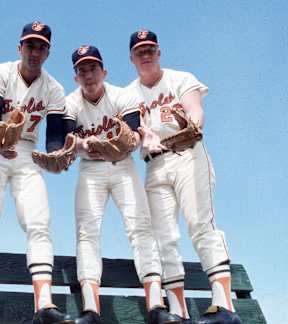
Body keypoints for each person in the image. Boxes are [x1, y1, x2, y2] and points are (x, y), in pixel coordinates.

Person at [0, 21, 74, 324]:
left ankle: (44, 304)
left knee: (39, 223)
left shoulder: (54, 88)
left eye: (41, 46)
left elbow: (54, 135)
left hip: (27, 153)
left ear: (48, 52)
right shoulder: (0, 72)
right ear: (19, 47)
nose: (34, 51)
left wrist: (55, 153)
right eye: (30, 45)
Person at [128, 29, 242, 324]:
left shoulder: (180, 78)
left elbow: (195, 112)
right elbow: (133, 129)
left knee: (200, 225)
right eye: (140, 51)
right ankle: (178, 311)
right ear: (132, 57)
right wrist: (143, 135)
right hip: (154, 164)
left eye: (150, 49)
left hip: (187, 154)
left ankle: (225, 306)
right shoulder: (129, 94)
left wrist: (189, 123)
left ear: (159, 52)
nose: (146, 55)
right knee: (164, 236)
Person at [64, 45, 182, 324]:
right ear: (75, 77)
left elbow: (132, 134)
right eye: (82, 70)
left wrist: (106, 145)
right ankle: (91, 310)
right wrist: (80, 144)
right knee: (87, 233)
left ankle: (156, 306)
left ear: (104, 71)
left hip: (121, 166)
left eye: (93, 68)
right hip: (90, 171)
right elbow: (63, 138)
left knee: (140, 227)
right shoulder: (71, 102)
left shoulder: (121, 95)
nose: (88, 74)